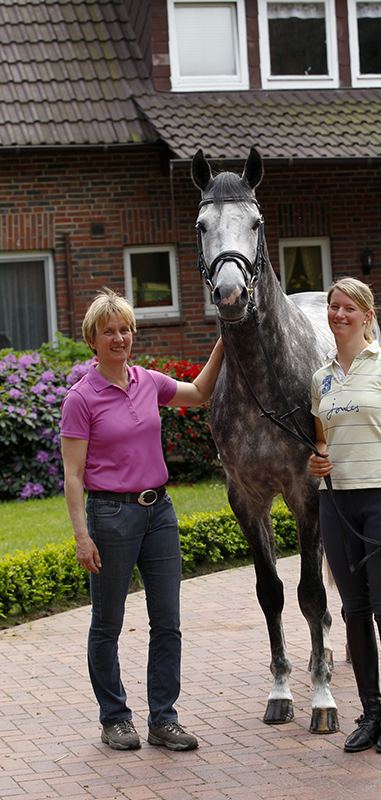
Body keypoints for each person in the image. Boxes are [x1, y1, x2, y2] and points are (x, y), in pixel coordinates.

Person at [60, 288, 224, 752]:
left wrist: (224, 341)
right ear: (92, 339)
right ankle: (115, 718)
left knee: (167, 621)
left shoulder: (148, 381)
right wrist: (81, 535)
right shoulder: (81, 398)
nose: (119, 338)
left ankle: (163, 719)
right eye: (108, 331)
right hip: (110, 516)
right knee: (107, 623)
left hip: (160, 514)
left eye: (125, 329)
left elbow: (199, 394)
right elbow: (72, 475)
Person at [308, 277, 381, 754]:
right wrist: (317, 458)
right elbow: (321, 438)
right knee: (353, 610)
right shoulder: (320, 378)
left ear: (368, 315)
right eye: (333, 307)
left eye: (349, 308)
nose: (339, 315)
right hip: (335, 502)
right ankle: (370, 711)